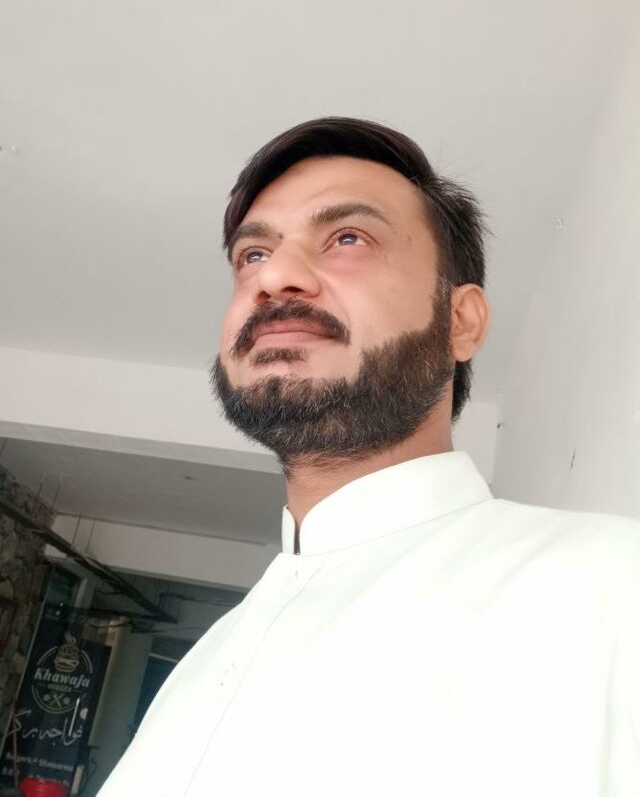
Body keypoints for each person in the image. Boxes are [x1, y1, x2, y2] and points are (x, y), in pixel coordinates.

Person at [98, 117, 639, 796]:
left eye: (347, 238)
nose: (275, 277)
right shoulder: (202, 665)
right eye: (252, 255)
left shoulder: (613, 588)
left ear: (461, 321)